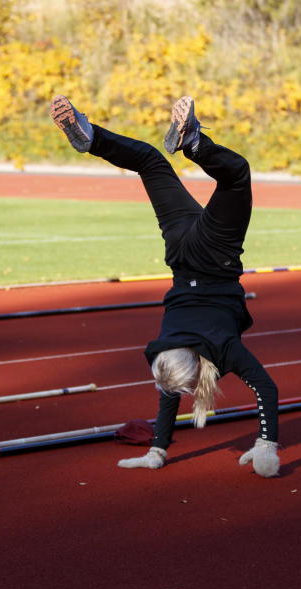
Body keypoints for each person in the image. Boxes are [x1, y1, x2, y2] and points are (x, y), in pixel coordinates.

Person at [49, 93, 280, 477]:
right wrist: (155, 452)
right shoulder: (165, 351)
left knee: (236, 174)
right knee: (151, 163)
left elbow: (266, 390)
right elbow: (169, 395)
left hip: (214, 255)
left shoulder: (220, 351)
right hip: (180, 250)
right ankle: (91, 138)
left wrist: (266, 445)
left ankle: (192, 142)